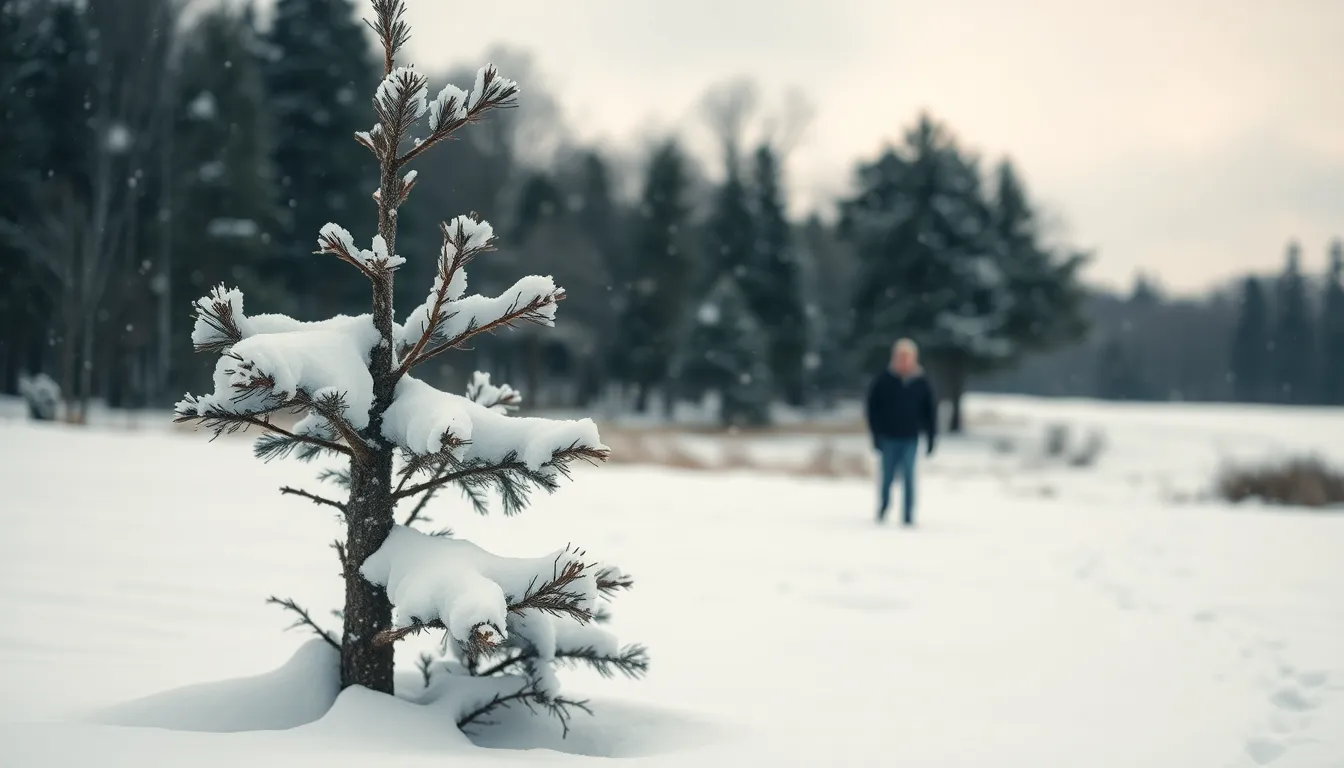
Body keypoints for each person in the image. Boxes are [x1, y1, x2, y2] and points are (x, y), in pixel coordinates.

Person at [865, 338, 937, 525]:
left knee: (909, 477)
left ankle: (908, 516)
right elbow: (872, 409)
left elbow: (930, 412)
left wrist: (931, 438)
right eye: (901, 357)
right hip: (888, 437)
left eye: (908, 357)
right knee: (887, 476)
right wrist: (876, 435)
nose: (904, 361)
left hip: (910, 437)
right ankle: (883, 508)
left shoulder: (921, 382)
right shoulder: (884, 380)